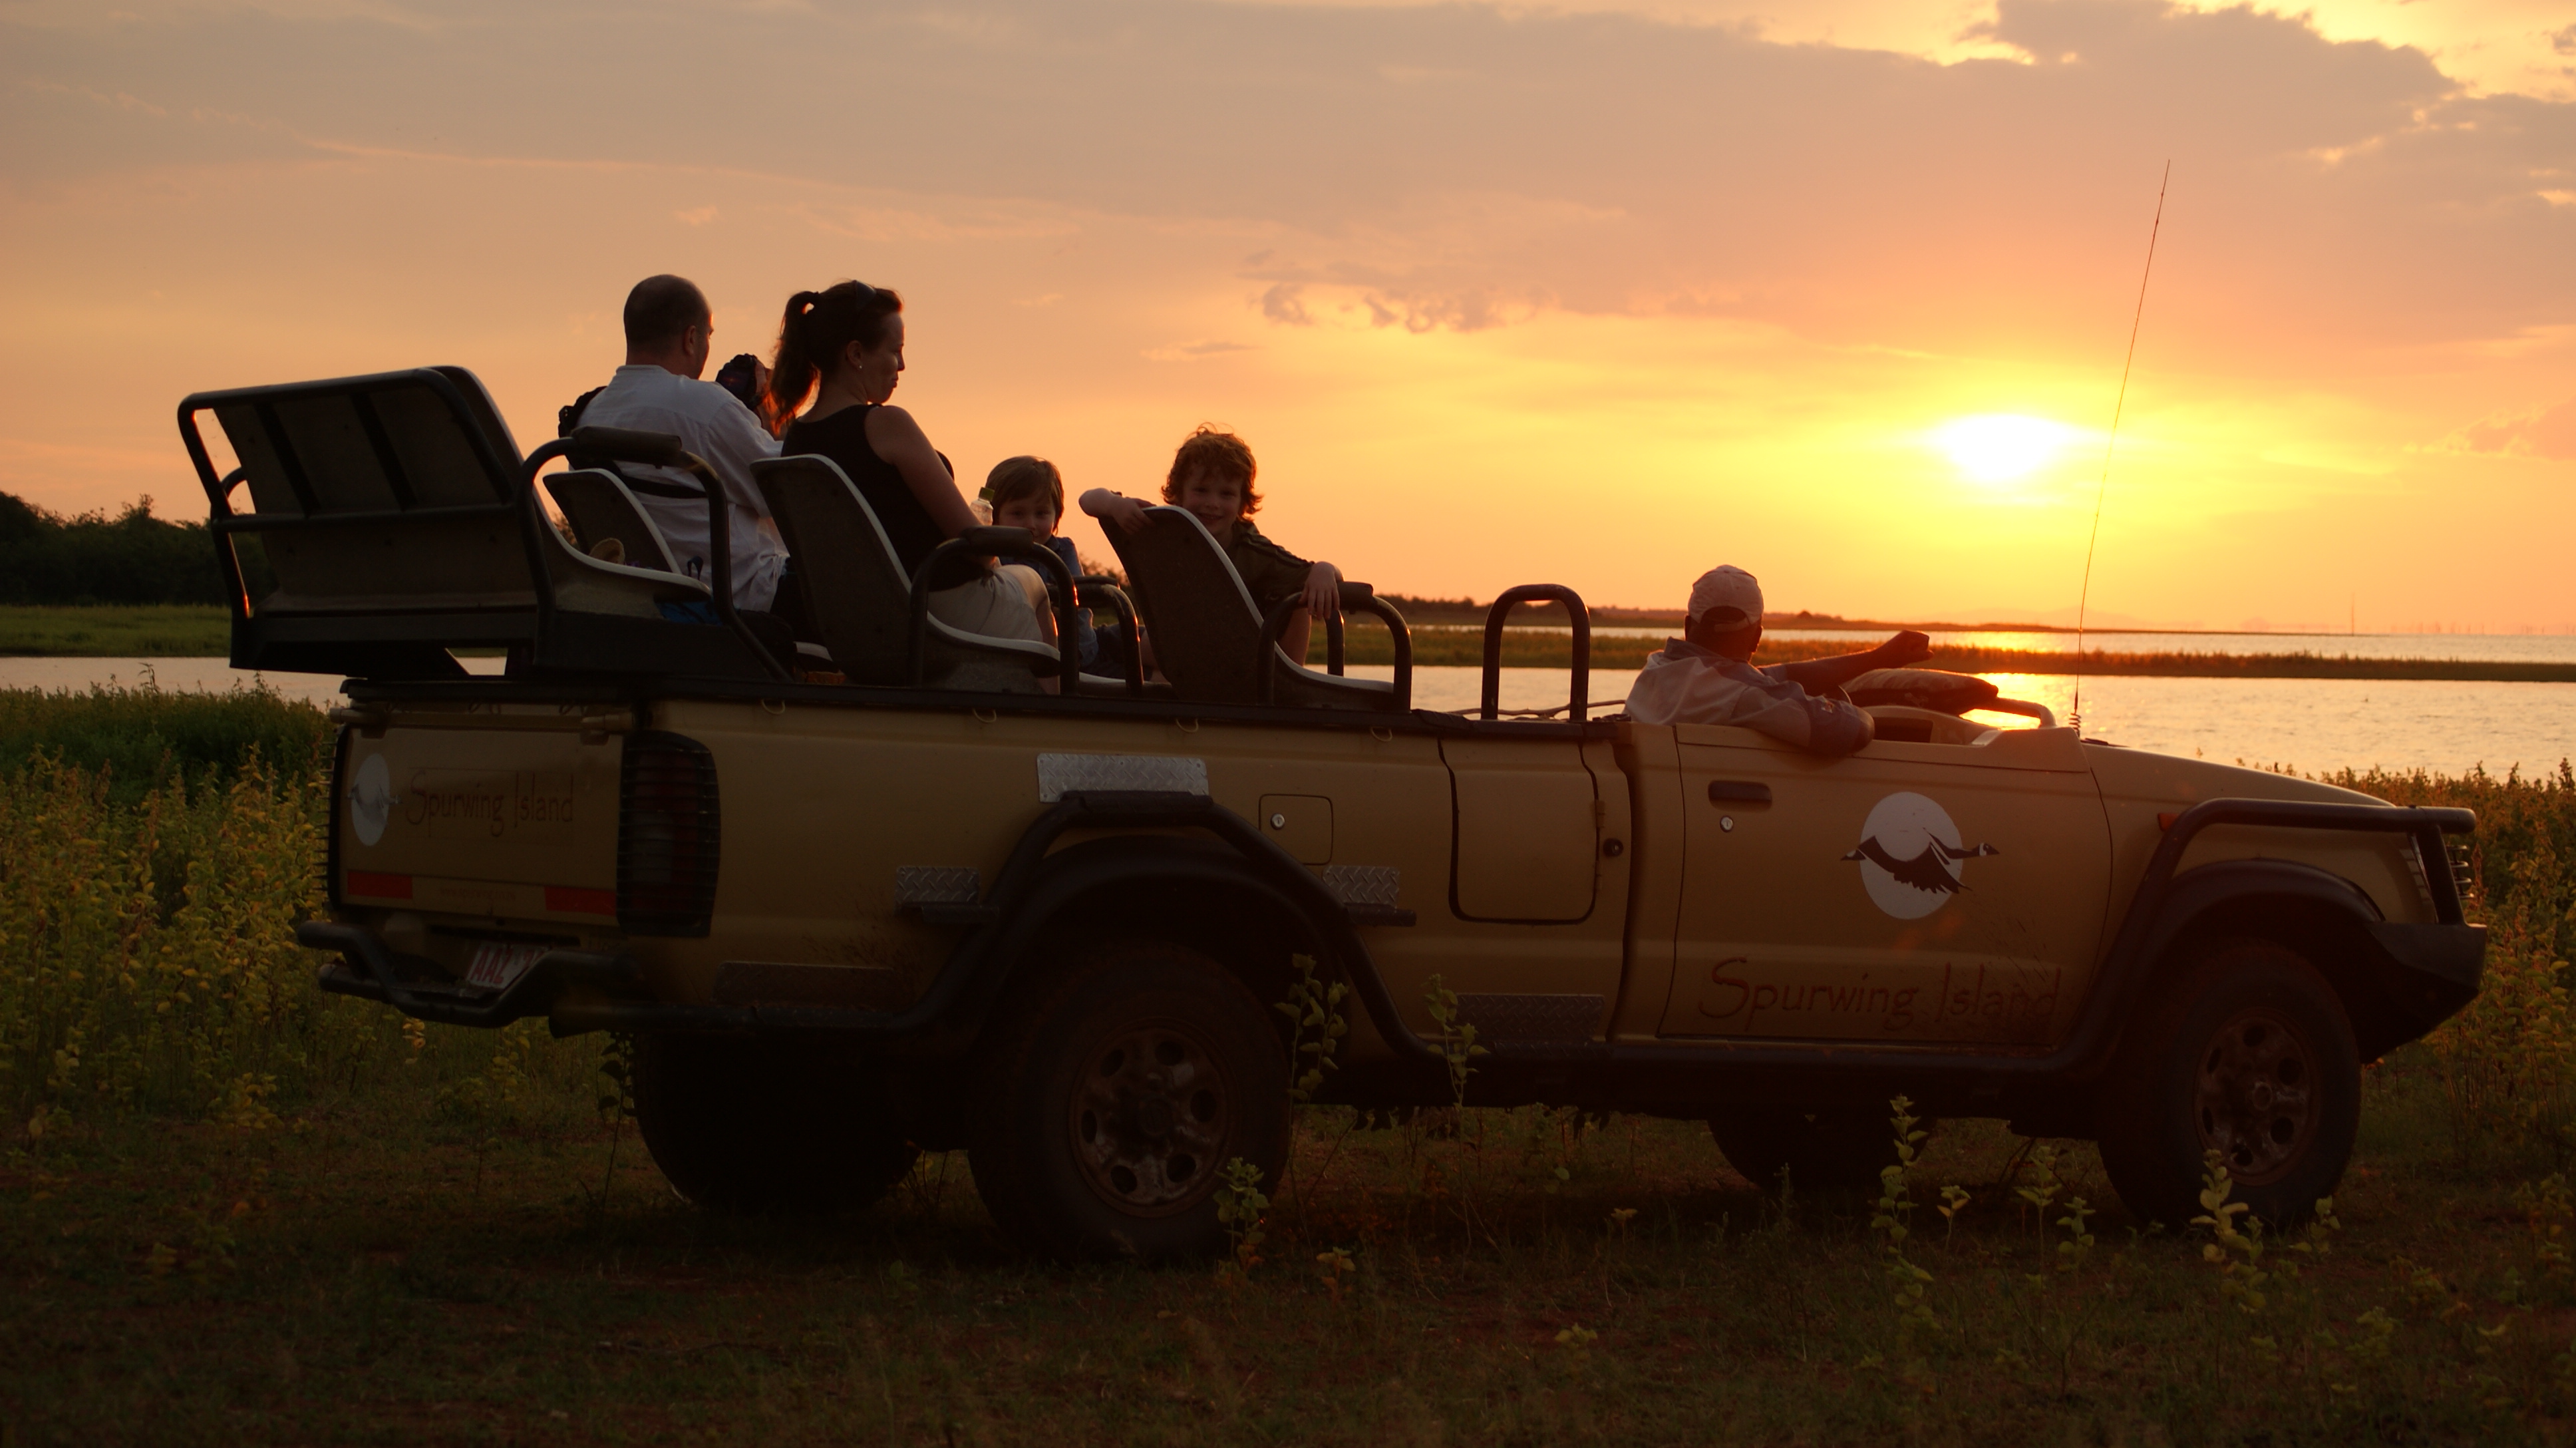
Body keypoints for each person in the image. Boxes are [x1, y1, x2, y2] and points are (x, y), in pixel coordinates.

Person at [767, 281, 1057, 653]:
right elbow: (977, 546)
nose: (902, 364)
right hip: (933, 618)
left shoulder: (796, 442)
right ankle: (1053, 709)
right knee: (1033, 580)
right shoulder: (887, 425)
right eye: (895, 351)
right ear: (856, 354)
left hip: (848, 626)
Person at [569, 275, 787, 612]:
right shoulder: (707, 407)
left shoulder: (586, 418)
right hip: (740, 604)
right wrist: (774, 419)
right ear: (691, 338)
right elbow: (784, 491)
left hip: (641, 601)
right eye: (708, 336)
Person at [1080, 426, 1341, 665]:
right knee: (1080, 645)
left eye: (1226, 494)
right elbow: (1087, 500)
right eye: (1201, 490)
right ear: (1179, 494)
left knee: (1296, 601)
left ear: (1242, 502)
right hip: (1169, 644)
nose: (1213, 503)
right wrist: (1114, 505)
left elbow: (1321, 577)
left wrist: (1325, 569)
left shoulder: (1253, 550)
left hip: (1231, 658)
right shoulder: (1159, 527)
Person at [1625, 565, 1931, 753]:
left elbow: (1771, 676)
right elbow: (1849, 731)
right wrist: (1857, 712)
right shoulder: (1741, 695)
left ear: (1688, 627)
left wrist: (1879, 658)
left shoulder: (1659, 668)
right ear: (1757, 636)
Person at [983, 456, 1100, 670]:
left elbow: (1078, 596)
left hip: (1080, 647)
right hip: (1026, 652)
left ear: (1057, 515)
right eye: (1018, 514)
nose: (1031, 524)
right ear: (995, 514)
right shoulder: (993, 555)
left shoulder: (1062, 550)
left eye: (1041, 513)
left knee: (1139, 638)